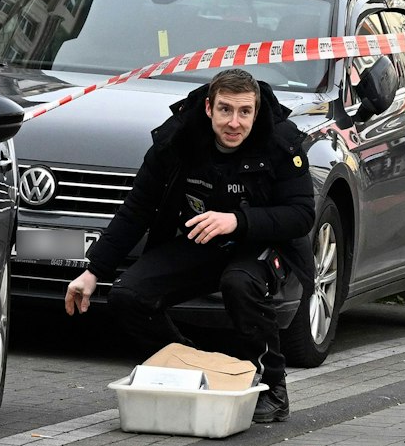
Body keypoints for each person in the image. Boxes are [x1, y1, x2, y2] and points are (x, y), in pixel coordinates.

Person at [64, 67, 313, 424]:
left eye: (245, 112)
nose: (234, 123)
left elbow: (302, 214)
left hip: (261, 245)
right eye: (225, 110)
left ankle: (273, 387)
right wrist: (94, 271)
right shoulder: (178, 139)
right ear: (209, 108)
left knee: (239, 282)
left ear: (256, 112)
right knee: (128, 295)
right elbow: (138, 207)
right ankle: (193, 369)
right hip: (201, 243)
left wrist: (238, 221)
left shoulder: (281, 141)